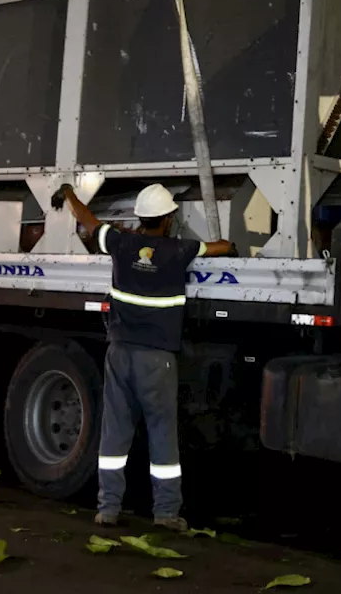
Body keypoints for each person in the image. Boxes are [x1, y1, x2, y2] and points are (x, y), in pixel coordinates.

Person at [52, 182, 234, 531]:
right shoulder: (179, 250)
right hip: (157, 360)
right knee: (162, 432)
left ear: (140, 218)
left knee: (114, 433)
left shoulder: (120, 244)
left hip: (119, 354)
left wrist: (70, 194)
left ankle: (108, 508)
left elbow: (88, 221)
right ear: (167, 220)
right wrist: (233, 245)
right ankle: (165, 513)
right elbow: (220, 247)